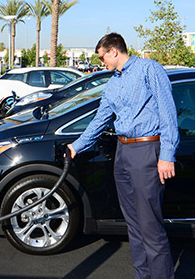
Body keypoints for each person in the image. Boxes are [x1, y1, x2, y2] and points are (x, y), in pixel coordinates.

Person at [67, 33, 179, 279]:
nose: (101, 63)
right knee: (135, 225)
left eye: (102, 57)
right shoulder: (113, 83)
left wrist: (167, 154)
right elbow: (100, 119)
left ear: (113, 51)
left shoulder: (150, 69)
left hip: (148, 151)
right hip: (123, 153)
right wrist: (76, 146)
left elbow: (167, 111)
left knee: (150, 226)